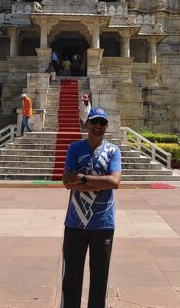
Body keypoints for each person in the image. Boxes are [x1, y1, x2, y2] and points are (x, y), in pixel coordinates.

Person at [61, 107, 122, 308]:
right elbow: (67, 181)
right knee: (71, 278)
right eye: (94, 122)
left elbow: (114, 182)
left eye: (102, 123)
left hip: (103, 223)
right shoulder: (75, 148)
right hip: (75, 223)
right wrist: (100, 182)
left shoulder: (113, 151)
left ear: (106, 127)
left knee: (99, 280)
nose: (98, 126)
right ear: (86, 124)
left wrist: (82, 179)